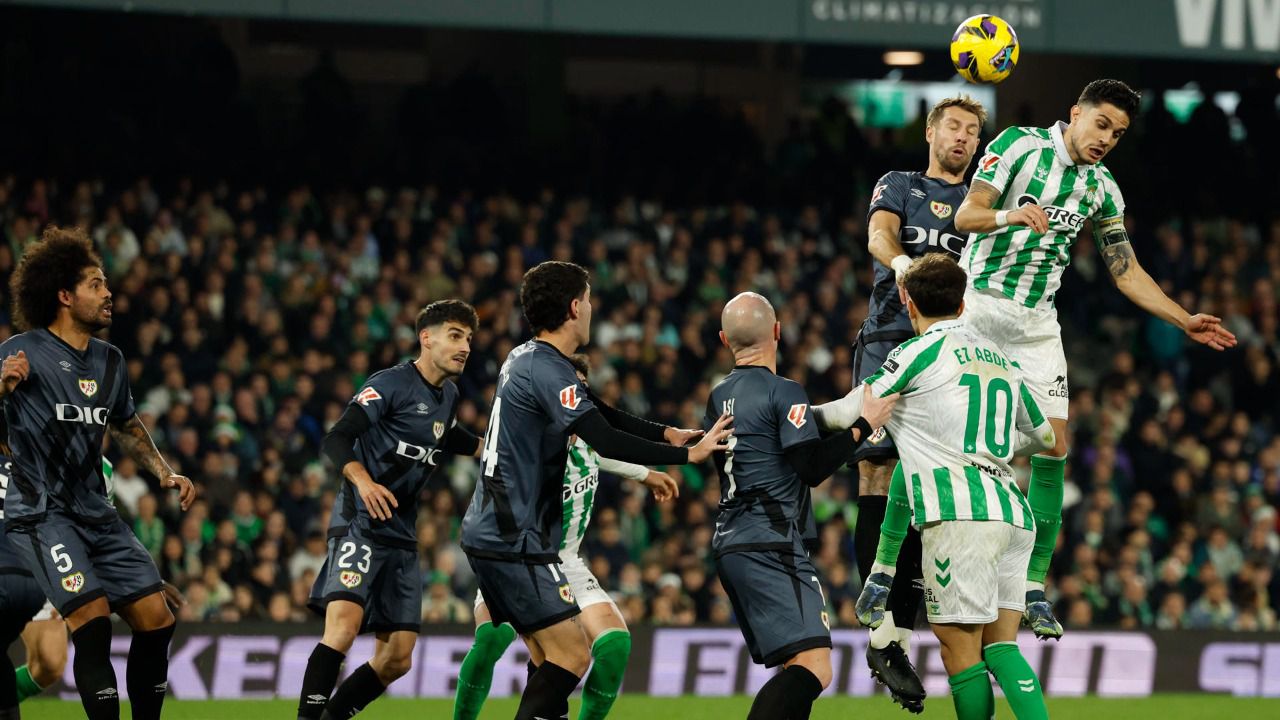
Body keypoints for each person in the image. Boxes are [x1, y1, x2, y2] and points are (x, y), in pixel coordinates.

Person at [953, 79, 1237, 637]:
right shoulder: (1018, 145)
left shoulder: (1102, 189)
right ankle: (897, 568)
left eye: (1119, 133)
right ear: (1076, 113)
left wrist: (1183, 318)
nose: (1107, 139)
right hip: (978, 307)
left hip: (1036, 324)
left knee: (1055, 447)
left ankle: (1032, 586)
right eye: (1102, 124)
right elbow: (967, 215)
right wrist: (1014, 216)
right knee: (959, 445)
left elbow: (1125, 272)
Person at [459, 260, 730, 720]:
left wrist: (666, 434)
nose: (591, 309)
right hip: (513, 537)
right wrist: (689, 457)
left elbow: (597, 411)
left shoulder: (526, 357)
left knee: (551, 659)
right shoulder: (547, 368)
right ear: (573, 308)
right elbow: (602, 438)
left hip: (506, 533)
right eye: (587, 300)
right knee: (572, 656)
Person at [822, 254, 1056, 719]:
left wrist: (792, 417)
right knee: (1001, 648)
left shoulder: (917, 353)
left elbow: (851, 410)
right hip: (1013, 514)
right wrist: (988, 445)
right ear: (962, 303)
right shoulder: (1000, 358)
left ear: (908, 302)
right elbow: (1046, 436)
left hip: (960, 517)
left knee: (960, 652)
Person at [0, 225, 196, 720]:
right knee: (93, 621)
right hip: (42, 514)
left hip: (96, 513)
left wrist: (164, 471)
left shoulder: (110, 361)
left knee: (157, 619)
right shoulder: (21, 352)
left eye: (106, 283)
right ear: (64, 296)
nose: (109, 293)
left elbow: (126, 424)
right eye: (95, 284)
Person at [852, 95, 988, 710]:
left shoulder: (981, 204)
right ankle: (882, 633)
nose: (962, 136)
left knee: (925, 490)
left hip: (954, 351)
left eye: (972, 130)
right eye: (952, 125)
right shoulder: (900, 184)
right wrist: (904, 262)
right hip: (889, 334)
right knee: (877, 474)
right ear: (931, 131)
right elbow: (878, 235)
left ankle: (898, 637)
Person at [454, 354, 679, 720]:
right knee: (494, 638)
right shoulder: (526, 443)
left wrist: (646, 474)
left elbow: (604, 451)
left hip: (566, 562)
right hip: (518, 558)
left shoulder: (590, 441)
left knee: (614, 646)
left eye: (580, 390)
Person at [706, 292, 895, 720]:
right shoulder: (784, 391)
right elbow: (810, 467)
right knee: (815, 667)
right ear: (777, 331)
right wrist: (863, 426)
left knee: (797, 665)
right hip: (771, 542)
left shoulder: (718, 396)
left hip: (733, 541)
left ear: (724, 339)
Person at [297, 300, 483, 720]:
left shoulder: (450, 395)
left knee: (398, 658)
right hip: (359, 523)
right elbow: (337, 438)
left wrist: (496, 448)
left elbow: (449, 436)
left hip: (401, 533)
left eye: (469, 339)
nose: (465, 347)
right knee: (343, 628)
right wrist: (363, 482)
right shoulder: (390, 383)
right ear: (426, 338)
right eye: (455, 336)